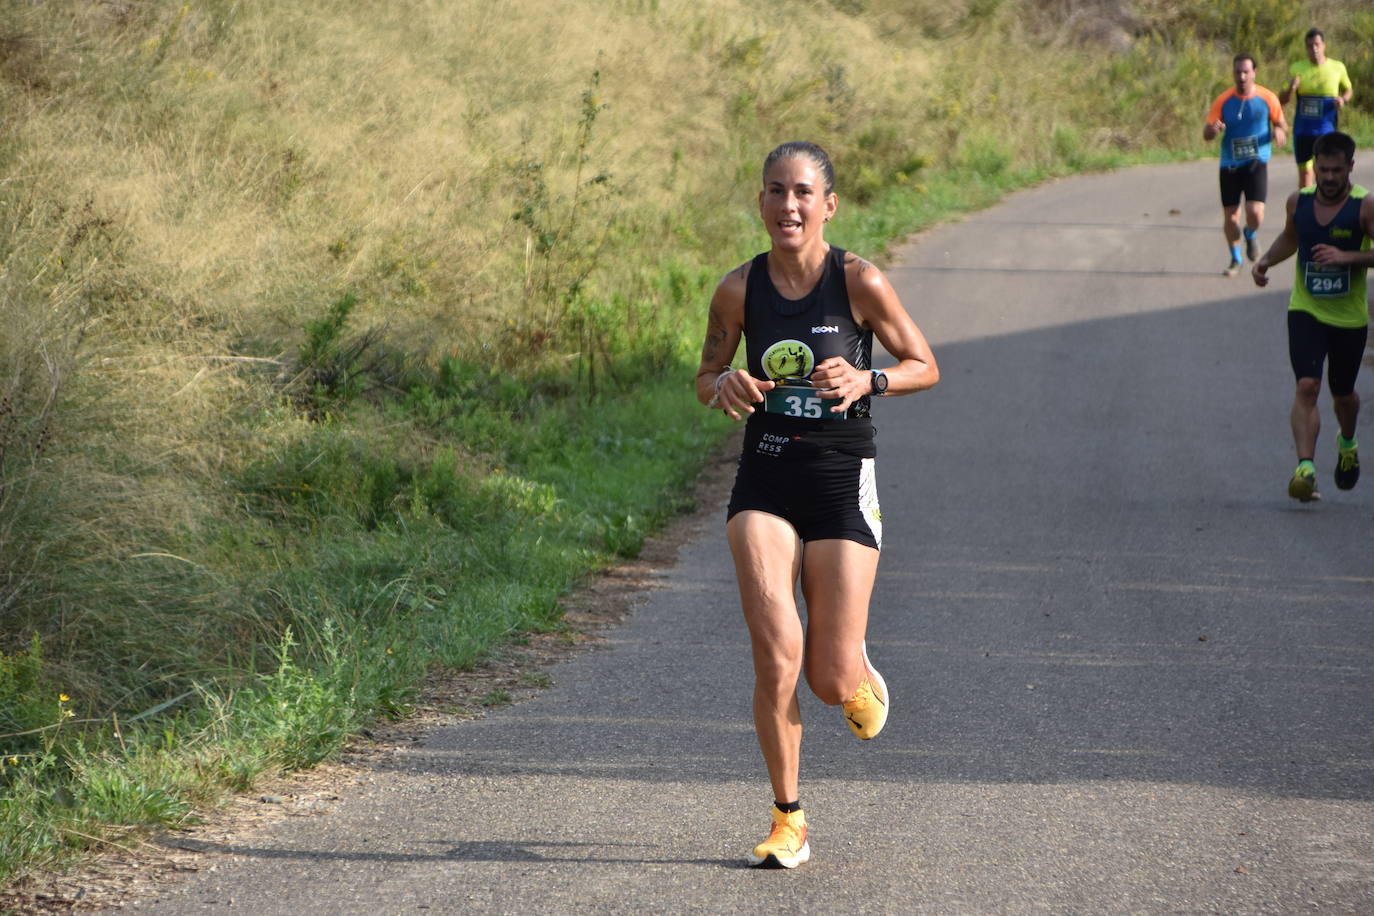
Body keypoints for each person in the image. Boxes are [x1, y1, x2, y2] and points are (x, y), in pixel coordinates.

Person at [694, 141, 938, 868]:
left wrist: (870, 381)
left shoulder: (859, 281)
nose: (788, 205)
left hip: (840, 478)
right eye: (776, 191)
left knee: (828, 678)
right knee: (778, 653)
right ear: (761, 203)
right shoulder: (738, 290)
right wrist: (723, 384)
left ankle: (854, 671)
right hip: (765, 478)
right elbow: (705, 376)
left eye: (803, 192)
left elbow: (925, 364)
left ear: (828, 205)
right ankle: (788, 819)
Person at [1252, 131, 1373, 502]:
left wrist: (1348, 257)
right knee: (1307, 385)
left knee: (1344, 396)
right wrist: (1266, 260)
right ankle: (1305, 469)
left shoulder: (1365, 206)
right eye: (1323, 170)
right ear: (1315, 168)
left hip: (1349, 318)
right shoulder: (1298, 202)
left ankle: (1347, 442)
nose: (1330, 177)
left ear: (1350, 167)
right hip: (1306, 309)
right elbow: (1292, 238)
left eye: (1337, 170)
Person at [1204, 54, 1288, 276]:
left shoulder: (1267, 98)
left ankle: (1250, 234)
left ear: (1254, 73)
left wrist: (1279, 131)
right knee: (1231, 216)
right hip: (1230, 164)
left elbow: (1282, 124)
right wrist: (1212, 130)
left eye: (1245, 72)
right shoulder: (1223, 100)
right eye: (1237, 72)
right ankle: (1236, 259)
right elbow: (1207, 133)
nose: (1241, 77)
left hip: (1256, 161)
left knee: (1255, 212)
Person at [1279, 28, 1353, 190]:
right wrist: (1291, 89)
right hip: (1303, 131)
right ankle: (1307, 204)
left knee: (1327, 172)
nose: (1314, 48)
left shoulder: (1337, 67)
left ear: (1324, 45)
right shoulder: (1297, 68)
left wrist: (1343, 99)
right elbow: (1281, 100)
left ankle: (1327, 203)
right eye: (1310, 45)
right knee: (1305, 174)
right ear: (1306, 48)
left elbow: (1348, 90)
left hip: (1326, 130)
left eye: (1317, 44)